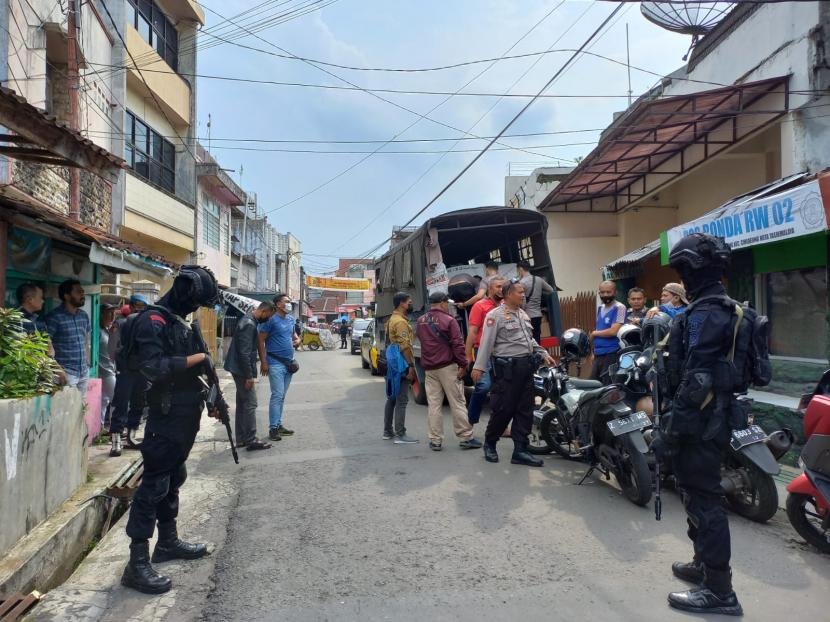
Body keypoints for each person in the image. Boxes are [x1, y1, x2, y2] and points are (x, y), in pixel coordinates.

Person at [654, 233, 743, 616]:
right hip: (715, 418)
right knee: (695, 494)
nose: (682, 277)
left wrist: (669, 433)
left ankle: (720, 591)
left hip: (698, 423)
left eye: (683, 270)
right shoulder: (731, 308)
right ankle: (703, 565)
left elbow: (697, 382)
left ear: (692, 269)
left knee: (705, 502)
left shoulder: (704, 314)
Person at [120, 265, 221, 594]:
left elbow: (203, 361)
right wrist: (196, 361)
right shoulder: (153, 321)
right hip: (164, 417)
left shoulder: (183, 322)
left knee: (174, 478)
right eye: (195, 302)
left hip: (185, 416)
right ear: (184, 291)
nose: (196, 309)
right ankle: (136, 564)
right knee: (153, 486)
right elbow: (154, 367)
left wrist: (215, 399)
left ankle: (167, 542)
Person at [472, 280, 554, 466]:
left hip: (526, 369)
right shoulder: (495, 316)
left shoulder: (523, 314)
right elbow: (486, 343)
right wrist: (479, 367)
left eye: (523, 292)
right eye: (519, 292)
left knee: (525, 410)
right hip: (507, 371)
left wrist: (543, 353)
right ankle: (490, 444)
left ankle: (520, 451)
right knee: (503, 409)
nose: (523, 295)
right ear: (508, 294)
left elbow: (529, 341)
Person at [415, 291, 481, 451]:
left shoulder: (421, 320)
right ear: (443, 303)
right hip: (447, 367)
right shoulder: (449, 320)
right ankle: (466, 437)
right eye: (447, 303)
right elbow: (458, 345)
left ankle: (435, 440)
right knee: (457, 402)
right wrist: (463, 364)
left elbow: (421, 340)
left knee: (434, 405)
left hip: (430, 369)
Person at [224, 301, 275, 451]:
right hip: (241, 370)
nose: (268, 319)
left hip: (237, 367)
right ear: (264, 311)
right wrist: (249, 376)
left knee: (242, 404)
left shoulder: (248, 320)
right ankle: (251, 439)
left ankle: (241, 439)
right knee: (251, 403)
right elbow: (244, 353)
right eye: (269, 316)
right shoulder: (249, 324)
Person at [110, 294, 151, 457]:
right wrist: (118, 366)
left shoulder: (147, 324)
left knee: (138, 404)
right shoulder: (120, 324)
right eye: (137, 306)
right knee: (121, 404)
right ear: (131, 306)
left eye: (142, 307)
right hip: (126, 370)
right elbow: (112, 348)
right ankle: (116, 440)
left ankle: (131, 437)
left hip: (141, 370)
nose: (139, 310)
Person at [258, 293, 300, 441]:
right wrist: (264, 362)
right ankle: (273, 428)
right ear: (278, 304)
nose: (289, 304)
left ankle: (278, 424)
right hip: (275, 363)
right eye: (286, 301)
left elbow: (294, 336)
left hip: (289, 363)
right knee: (277, 395)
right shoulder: (270, 320)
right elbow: (261, 340)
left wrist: (298, 340)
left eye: (289, 301)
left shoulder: (290, 319)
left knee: (281, 396)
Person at [383, 292, 418, 444]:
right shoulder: (401, 322)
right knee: (402, 400)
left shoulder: (392, 319)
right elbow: (405, 347)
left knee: (392, 398)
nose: (410, 304)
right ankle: (400, 434)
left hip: (393, 364)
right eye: (409, 302)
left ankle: (388, 431)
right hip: (402, 364)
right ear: (401, 304)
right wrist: (410, 366)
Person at [46, 279, 91, 393]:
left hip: (83, 372)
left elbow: (85, 339)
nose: (82, 294)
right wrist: (57, 369)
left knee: (81, 408)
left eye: (82, 291)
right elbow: (45, 343)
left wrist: (87, 361)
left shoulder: (83, 315)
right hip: (66, 373)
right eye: (78, 292)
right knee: (66, 409)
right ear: (67, 296)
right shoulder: (54, 317)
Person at [590, 281, 626, 384]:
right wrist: (593, 351)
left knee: (607, 386)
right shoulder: (600, 308)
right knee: (594, 384)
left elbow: (614, 331)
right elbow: (599, 327)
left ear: (615, 292)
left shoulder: (620, 308)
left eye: (608, 292)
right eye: (602, 292)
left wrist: (594, 334)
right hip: (598, 353)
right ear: (599, 293)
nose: (605, 295)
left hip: (611, 352)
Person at [517, 260, 553, 343]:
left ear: (521, 269)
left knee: (528, 339)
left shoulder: (522, 282)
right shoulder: (538, 279)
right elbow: (551, 290)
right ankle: (538, 355)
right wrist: (540, 294)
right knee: (537, 338)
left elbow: (523, 302)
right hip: (538, 314)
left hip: (527, 315)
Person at [99, 303, 118, 429]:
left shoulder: (110, 330)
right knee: (116, 399)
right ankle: (116, 428)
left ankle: (101, 427)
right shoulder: (98, 332)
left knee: (104, 401)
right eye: (109, 313)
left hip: (111, 369)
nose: (112, 316)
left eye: (113, 313)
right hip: (105, 371)